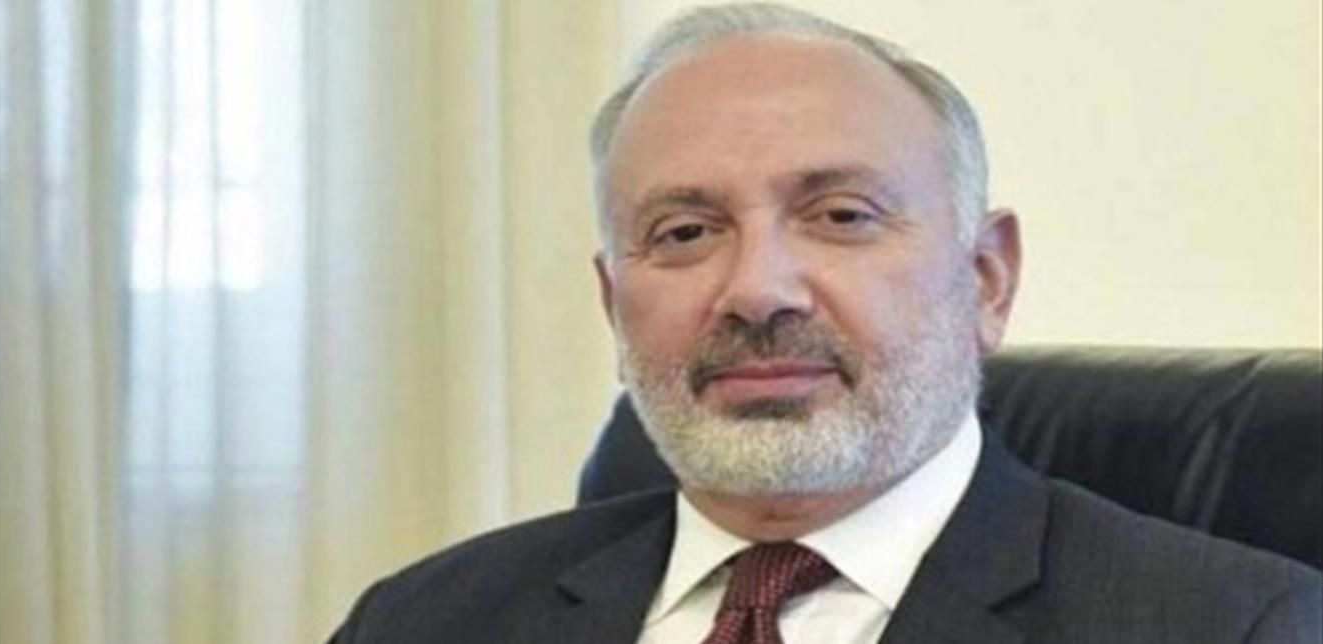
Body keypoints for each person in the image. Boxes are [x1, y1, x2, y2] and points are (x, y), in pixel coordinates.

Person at [327, 4, 1322, 643]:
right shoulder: (424, 619)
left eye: (841, 216)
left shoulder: (1233, 626)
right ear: (613, 302)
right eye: (684, 232)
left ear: (985, 278)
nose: (758, 290)